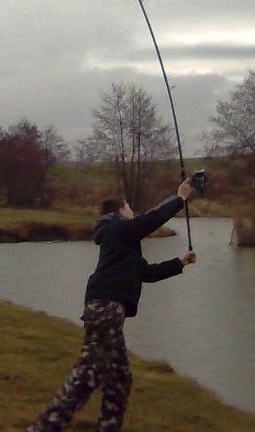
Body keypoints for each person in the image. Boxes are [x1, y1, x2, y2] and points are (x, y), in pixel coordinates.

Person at [26, 179, 196, 432]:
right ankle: (43, 428)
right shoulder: (117, 229)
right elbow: (151, 219)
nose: (132, 213)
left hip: (107, 310)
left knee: (119, 379)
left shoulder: (123, 241)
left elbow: (146, 272)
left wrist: (180, 263)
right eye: (128, 208)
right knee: (87, 375)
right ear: (118, 211)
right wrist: (180, 199)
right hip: (105, 309)